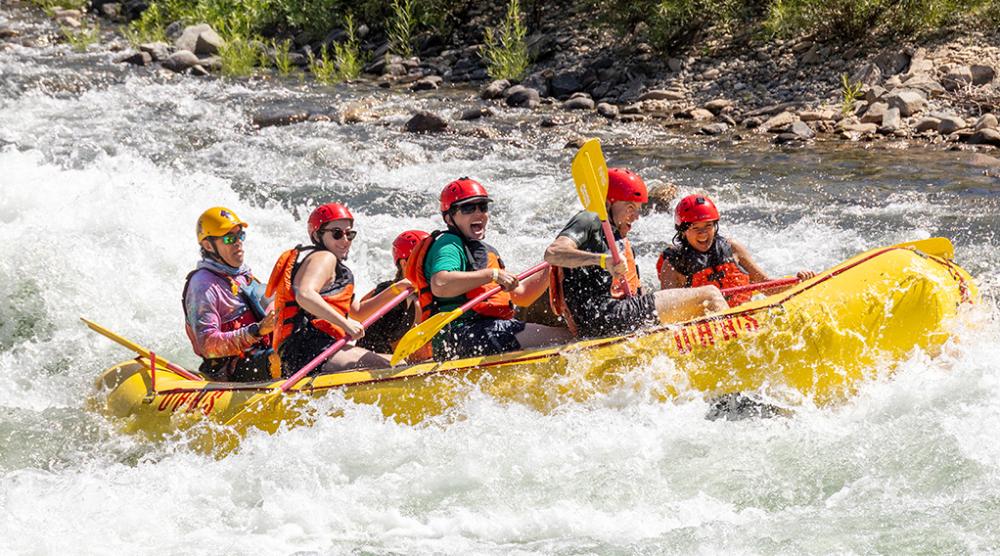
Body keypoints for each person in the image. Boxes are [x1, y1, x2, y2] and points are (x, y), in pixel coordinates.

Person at [544, 168, 728, 339]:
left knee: (690, 307)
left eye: (638, 210)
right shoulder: (590, 218)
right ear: (609, 203)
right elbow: (553, 252)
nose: (636, 216)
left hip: (610, 316)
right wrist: (602, 260)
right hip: (604, 316)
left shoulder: (617, 238)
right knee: (709, 295)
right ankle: (735, 343)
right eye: (630, 208)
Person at [406, 178, 574, 360]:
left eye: (482, 207)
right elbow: (441, 284)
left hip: (483, 331)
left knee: (563, 335)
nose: (479, 213)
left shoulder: (483, 251)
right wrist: (492, 274)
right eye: (468, 208)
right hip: (461, 335)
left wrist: (552, 265)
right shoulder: (448, 244)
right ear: (449, 217)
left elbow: (522, 295)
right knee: (566, 339)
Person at [266, 203, 404, 376]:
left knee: (397, 363)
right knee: (395, 367)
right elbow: (305, 295)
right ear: (317, 235)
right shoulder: (324, 257)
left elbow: (359, 313)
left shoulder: (340, 270)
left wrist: (397, 288)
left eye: (350, 234)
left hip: (319, 348)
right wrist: (344, 324)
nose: (345, 240)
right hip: (308, 349)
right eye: (337, 234)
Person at [657, 194, 816, 307]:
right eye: (695, 228)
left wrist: (799, 282)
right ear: (683, 231)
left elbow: (765, 286)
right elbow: (670, 311)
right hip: (703, 325)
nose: (703, 233)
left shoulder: (732, 249)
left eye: (708, 226)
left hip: (740, 316)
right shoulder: (673, 264)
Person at [182, 206, 277, 382]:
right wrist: (257, 331)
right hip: (232, 369)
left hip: (261, 354)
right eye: (229, 238)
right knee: (286, 358)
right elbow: (207, 345)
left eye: (240, 235)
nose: (237, 242)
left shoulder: (243, 275)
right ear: (208, 245)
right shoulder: (203, 286)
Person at [355, 230, 430, 358]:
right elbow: (359, 316)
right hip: (373, 363)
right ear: (404, 263)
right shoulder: (389, 291)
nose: (430, 265)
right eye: (424, 260)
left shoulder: (431, 291)